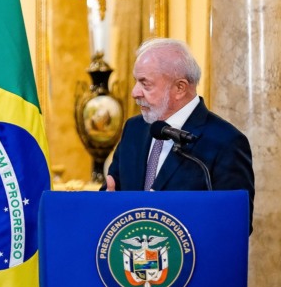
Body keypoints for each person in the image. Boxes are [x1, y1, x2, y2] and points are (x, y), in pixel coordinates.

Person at [103, 38, 255, 232]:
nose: (134, 92)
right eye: (136, 81)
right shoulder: (134, 128)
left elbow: (236, 224)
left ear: (180, 88)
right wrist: (106, 204)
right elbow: (111, 189)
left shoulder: (226, 142)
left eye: (145, 84)